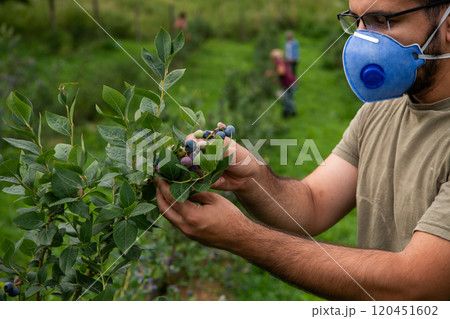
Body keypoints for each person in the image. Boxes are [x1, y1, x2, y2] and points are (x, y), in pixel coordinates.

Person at [156, 0, 450, 300]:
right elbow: (313, 204)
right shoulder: (379, 111)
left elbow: (413, 285)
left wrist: (241, 236)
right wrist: (252, 178)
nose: (361, 38)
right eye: (356, 21)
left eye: (380, 21)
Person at [268, 48, 297, 118]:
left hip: (288, 83)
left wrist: (271, 73)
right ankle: (286, 114)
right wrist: (275, 82)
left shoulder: (278, 62)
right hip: (292, 82)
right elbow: (282, 75)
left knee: (287, 99)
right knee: (287, 99)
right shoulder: (283, 61)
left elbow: (281, 72)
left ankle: (292, 114)